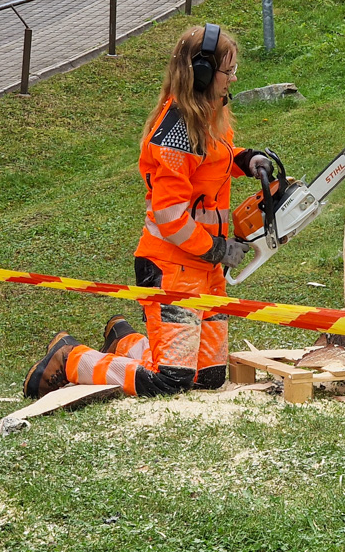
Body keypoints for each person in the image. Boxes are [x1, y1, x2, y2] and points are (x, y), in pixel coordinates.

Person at [24, 24, 272, 399]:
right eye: (228, 71)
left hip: (204, 265)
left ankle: (125, 341)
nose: (232, 79)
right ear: (203, 74)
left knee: (208, 377)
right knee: (170, 380)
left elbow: (214, 161)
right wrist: (220, 250)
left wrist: (246, 160)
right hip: (172, 266)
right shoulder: (176, 134)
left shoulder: (210, 115)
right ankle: (72, 358)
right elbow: (171, 218)